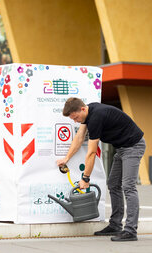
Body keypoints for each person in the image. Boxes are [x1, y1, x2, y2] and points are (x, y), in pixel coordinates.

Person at [56, 97, 146, 242]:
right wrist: (66, 158)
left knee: (128, 186)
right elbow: (79, 138)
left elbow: (91, 152)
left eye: (76, 117)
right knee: (113, 184)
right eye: (73, 119)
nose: (76, 121)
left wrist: (85, 178)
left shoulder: (96, 117)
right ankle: (115, 225)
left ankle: (130, 231)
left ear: (83, 109)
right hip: (122, 148)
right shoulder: (88, 112)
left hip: (133, 146)